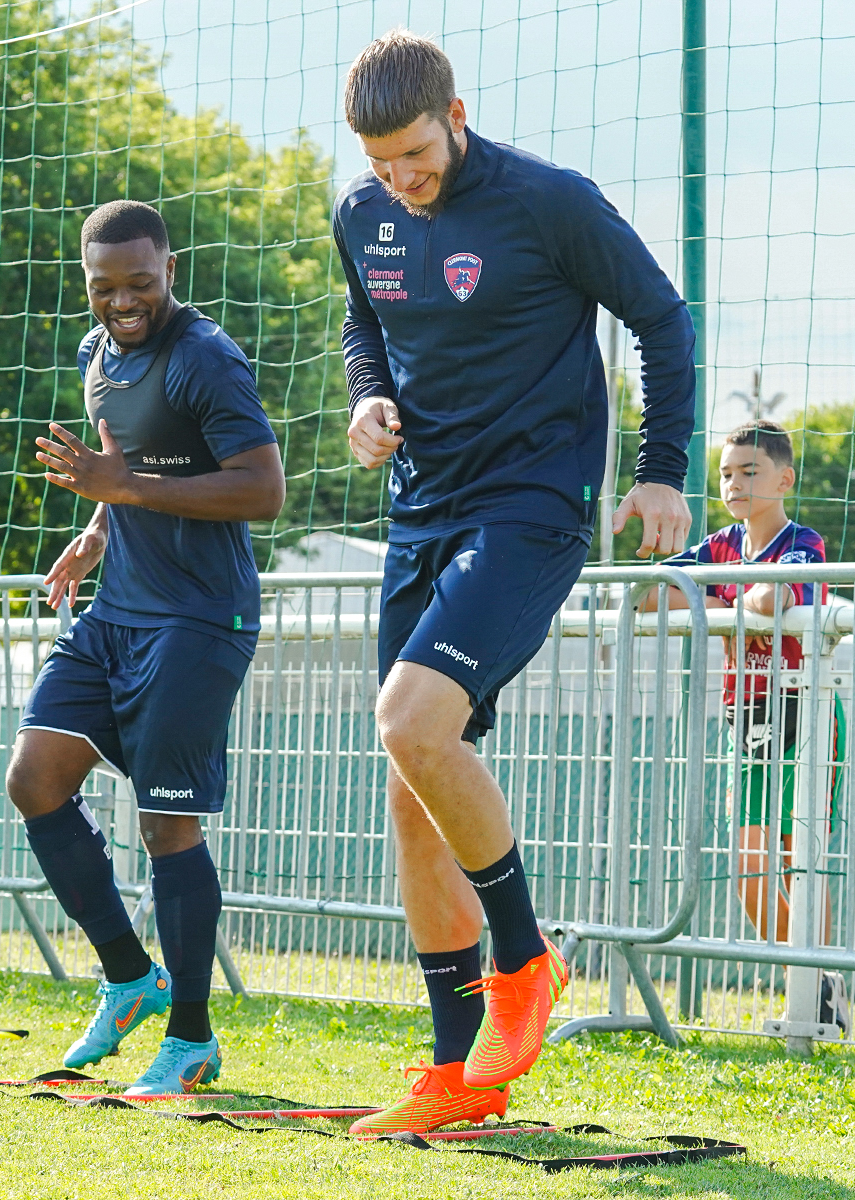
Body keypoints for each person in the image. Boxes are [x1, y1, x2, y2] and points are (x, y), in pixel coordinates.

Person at [333, 31, 697, 1134]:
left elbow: (661, 319)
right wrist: (366, 397)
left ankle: (527, 959)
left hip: (527, 510)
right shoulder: (361, 214)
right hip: (420, 510)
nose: (399, 176)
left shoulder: (551, 201)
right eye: (379, 160)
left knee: (410, 720)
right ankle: (458, 1080)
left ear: (454, 111)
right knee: (409, 776)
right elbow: (364, 325)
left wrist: (662, 473)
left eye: (412, 152)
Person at [6, 200, 284, 1095]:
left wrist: (125, 485)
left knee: (166, 822)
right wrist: (96, 526)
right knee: (34, 776)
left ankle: (192, 1038)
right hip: (117, 609)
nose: (122, 301)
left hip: (199, 619)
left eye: (139, 282)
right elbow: (123, 463)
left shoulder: (206, 357)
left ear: (171, 269)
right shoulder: (96, 355)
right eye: (104, 287)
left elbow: (263, 489)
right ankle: (131, 977)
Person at [661, 418, 851, 1035]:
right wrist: (724, 599)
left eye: (751, 471)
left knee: (800, 857)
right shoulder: (718, 545)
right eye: (726, 473)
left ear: (784, 478)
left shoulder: (804, 542)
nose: (736, 483)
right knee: (749, 867)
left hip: (808, 711)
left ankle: (816, 994)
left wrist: (714, 601)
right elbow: (654, 592)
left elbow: (773, 600)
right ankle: (814, 980)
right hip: (750, 715)